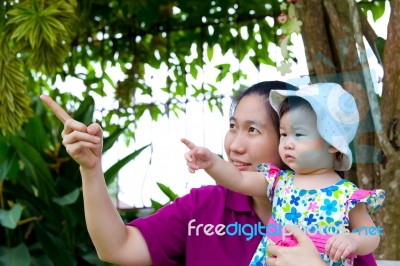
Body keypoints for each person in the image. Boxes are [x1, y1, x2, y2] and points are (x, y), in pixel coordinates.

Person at [40, 81, 379, 266]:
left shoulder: (338, 216)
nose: (234, 145)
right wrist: (91, 168)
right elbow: (117, 247)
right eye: (233, 127)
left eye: (253, 130)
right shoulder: (203, 209)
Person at [182, 83, 385, 266]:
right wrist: (211, 163)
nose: (287, 143)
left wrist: (353, 240)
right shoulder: (279, 181)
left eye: (299, 134)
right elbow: (239, 179)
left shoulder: (347, 195)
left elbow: (370, 234)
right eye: (284, 134)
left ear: (332, 144)